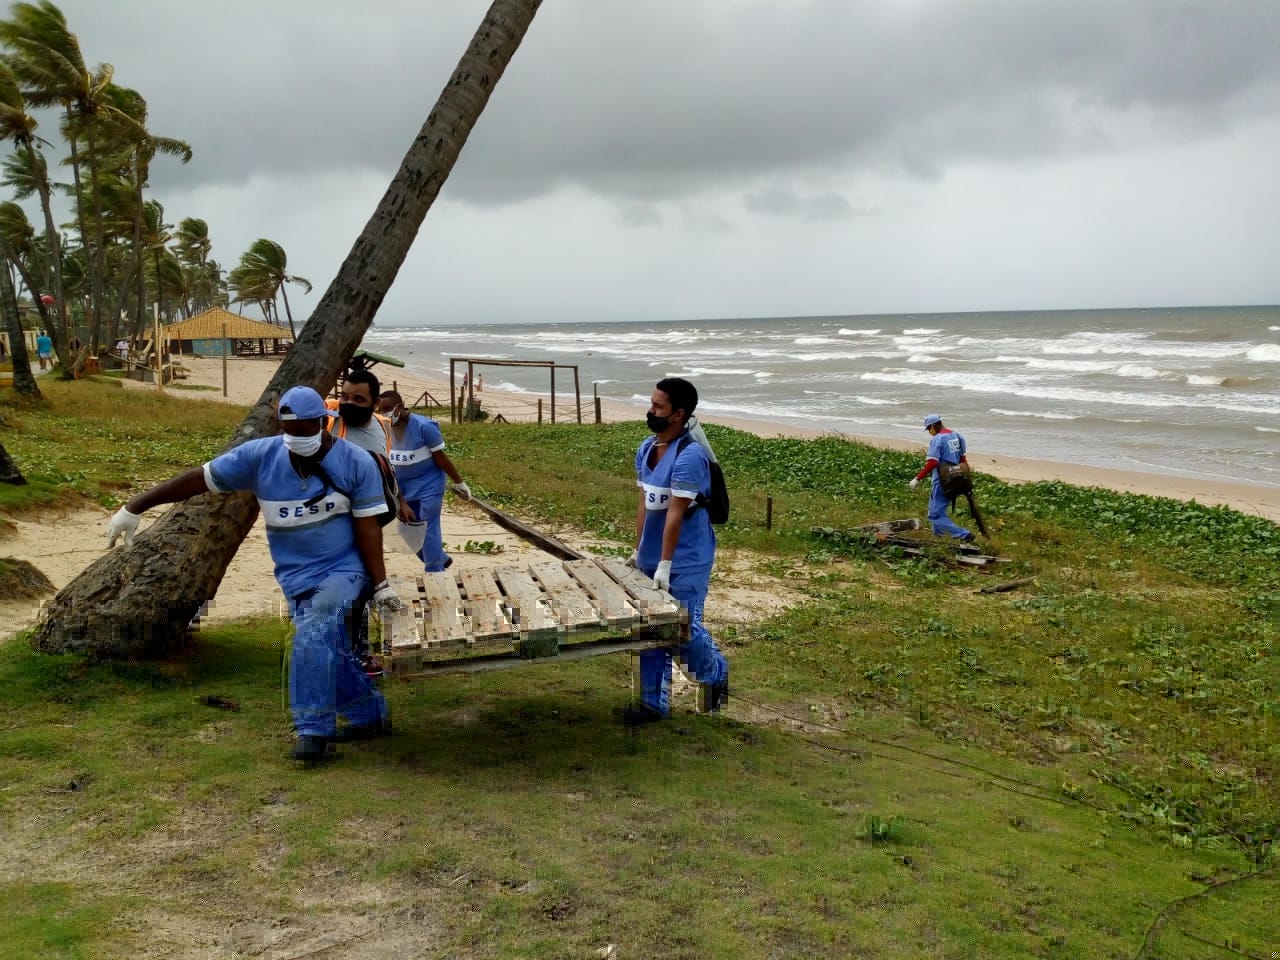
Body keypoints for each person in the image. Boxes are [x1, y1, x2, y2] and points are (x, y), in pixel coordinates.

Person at [104, 385, 400, 765]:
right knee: (325, 645)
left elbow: (368, 527)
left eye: (308, 428)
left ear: (323, 423)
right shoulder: (259, 457)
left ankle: (313, 731)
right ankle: (367, 715)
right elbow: (200, 478)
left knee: (313, 630)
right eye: (291, 428)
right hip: (295, 574)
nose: (299, 436)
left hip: (344, 568)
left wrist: (381, 583)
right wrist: (134, 506)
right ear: (280, 424)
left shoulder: (355, 462)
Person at [624, 377, 729, 725]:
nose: (650, 411)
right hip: (652, 554)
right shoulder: (646, 448)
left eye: (658, 406)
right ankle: (654, 704)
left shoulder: (690, 457)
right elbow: (644, 503)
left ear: (678, 414)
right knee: (650, 626)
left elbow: (674, 514)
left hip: (687, 558)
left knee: (684, 627)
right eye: (651, 403)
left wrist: (665, 564)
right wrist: (640, 551)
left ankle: (714, 672)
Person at [376, 390, 471, 573]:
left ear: (400, 406)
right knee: (407, 531)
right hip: (402, 488)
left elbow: (441, 458)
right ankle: (440, 558)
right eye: (380, 410)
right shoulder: (383, 429)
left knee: (428, 527)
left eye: (387, 409)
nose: (384, 414)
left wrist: (459, 482)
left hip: (429, 485)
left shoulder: (424, 427)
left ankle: (435, 570)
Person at [909, 413, 974, 541]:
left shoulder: (938, 439)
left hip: (941, 481)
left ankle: (964, 535)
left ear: (933, 426)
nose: (929, 432)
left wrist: (918, 478)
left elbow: (933, 462)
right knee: (939, 511)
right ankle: (939, 538)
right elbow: (963, 460)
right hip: (956, 479)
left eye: (928, 429)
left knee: (934, 515)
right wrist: (967, 480)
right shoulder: (958, 436)